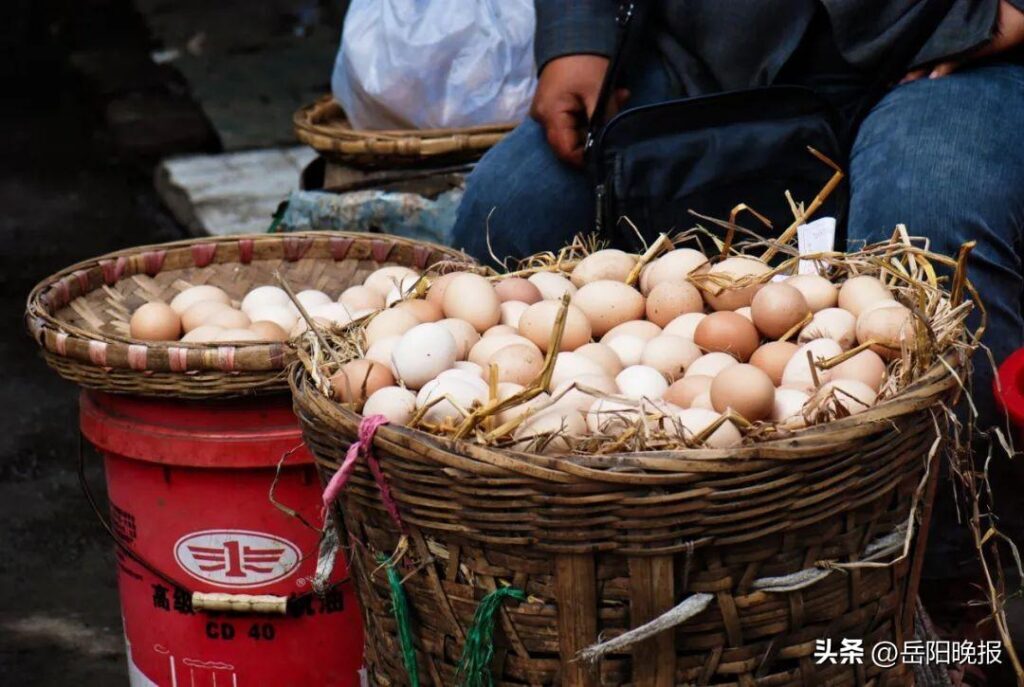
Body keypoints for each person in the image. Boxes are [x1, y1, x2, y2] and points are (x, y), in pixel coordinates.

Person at [453, 0, 1024, 664]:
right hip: (705, 59)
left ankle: (954, 584)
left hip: (944, 42)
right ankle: (565, 580)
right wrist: (575, 38)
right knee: (511, 214)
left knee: (930, 232)